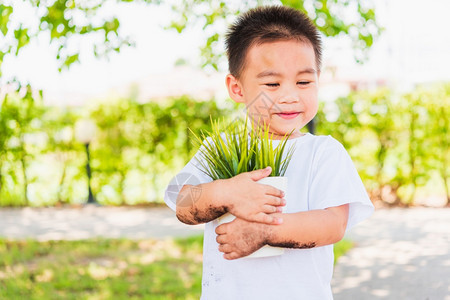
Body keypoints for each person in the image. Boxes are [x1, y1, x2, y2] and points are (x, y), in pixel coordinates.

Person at [164, 5, 374, 299]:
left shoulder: (323, 152)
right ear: (237, 89)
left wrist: (265, 232)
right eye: (272, 84)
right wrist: (225, 193)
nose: (290, 95)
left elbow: (333, 224)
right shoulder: (219, 149)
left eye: (304, 82)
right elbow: (180, 199)